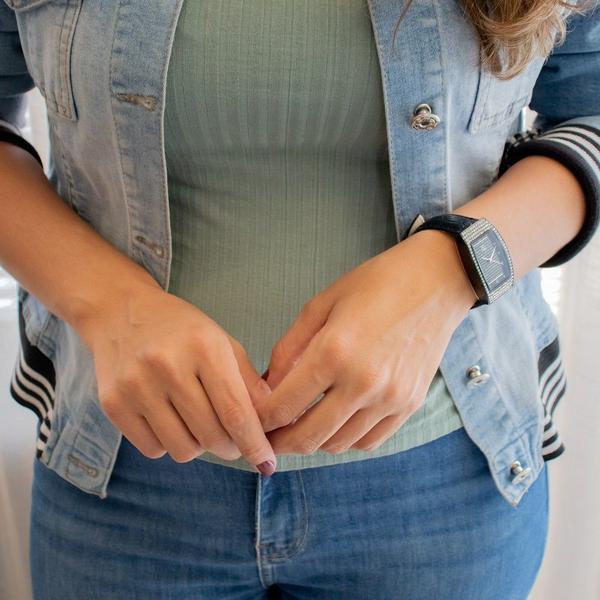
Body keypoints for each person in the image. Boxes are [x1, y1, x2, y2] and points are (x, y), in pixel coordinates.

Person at [1, 0, 599, 598]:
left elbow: (590, 111)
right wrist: (107, 303)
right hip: (124, 476)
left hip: (444, 482)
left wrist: (451, 269)